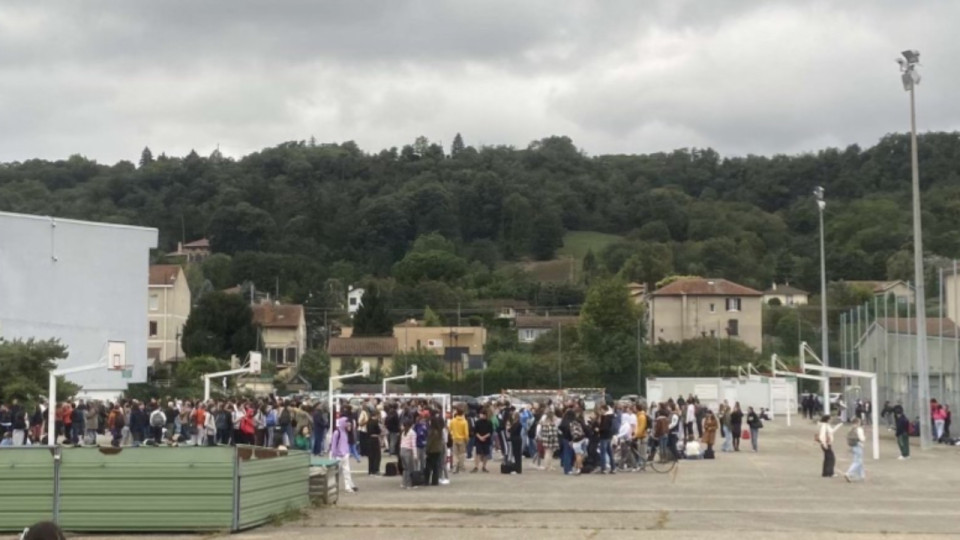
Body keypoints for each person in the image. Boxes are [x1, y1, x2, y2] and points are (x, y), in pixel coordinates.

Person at [330, 415, 358, 493]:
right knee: (336, 472)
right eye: (347, 425)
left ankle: (348, 486)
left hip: (345, 455)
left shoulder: (345, 433)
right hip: (338, 456)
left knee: (346, 471)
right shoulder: (337, 432)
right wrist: (334, 454)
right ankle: (333, 486)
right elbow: (333, 445)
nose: (349, 426)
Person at [844, 417, 866, 482]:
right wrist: (864, 438)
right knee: (858, 461)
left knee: (858, 460)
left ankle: (861, 475)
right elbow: (862, 439)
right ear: (858, 423)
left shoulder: (851, 429)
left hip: (853, 446)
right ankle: (849, 473)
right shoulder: (859, 429)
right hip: (858, 445)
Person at [425, 414, 445, 485]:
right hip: (438, 450)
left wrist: (426, 450)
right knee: (435, 466)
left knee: (428, 467)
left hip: (431, 451)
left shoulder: (432, 432)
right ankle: (435, 481)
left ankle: (426, 481)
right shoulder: (440, 431)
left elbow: (429, 442)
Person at [471, 409, 493, 473]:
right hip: (478, 440)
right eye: (481, 414)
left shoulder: (489, 422)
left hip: (486, 440)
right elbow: (475, 431)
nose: (482, 416)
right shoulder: (477, 422)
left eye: (483, 415)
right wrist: (480, 437)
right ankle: (476, 466)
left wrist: (484, 437)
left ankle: (484, 466)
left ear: (486, 415)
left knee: (486, 454)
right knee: (477, 453)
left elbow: (490, 432)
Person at [399, 418, 418, 489]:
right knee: (410, 468)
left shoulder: (403, 433)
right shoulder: (412, 433)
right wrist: (415, 455)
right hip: (408, 451)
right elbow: (413, 445)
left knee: (405, 468)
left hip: (402, 450)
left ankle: (404, 483)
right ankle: (409, 484)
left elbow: (401, 443)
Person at [450, 408, 469, 473]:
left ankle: (455, 466)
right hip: (462, 439)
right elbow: (466, 433)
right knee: (462, 454)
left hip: (455, 438)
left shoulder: (453, 420)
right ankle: (461, 466)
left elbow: (450, 429)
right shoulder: (464, 422)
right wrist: (467, 439)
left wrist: (452, 435)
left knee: (455, 454)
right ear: (462, 414)